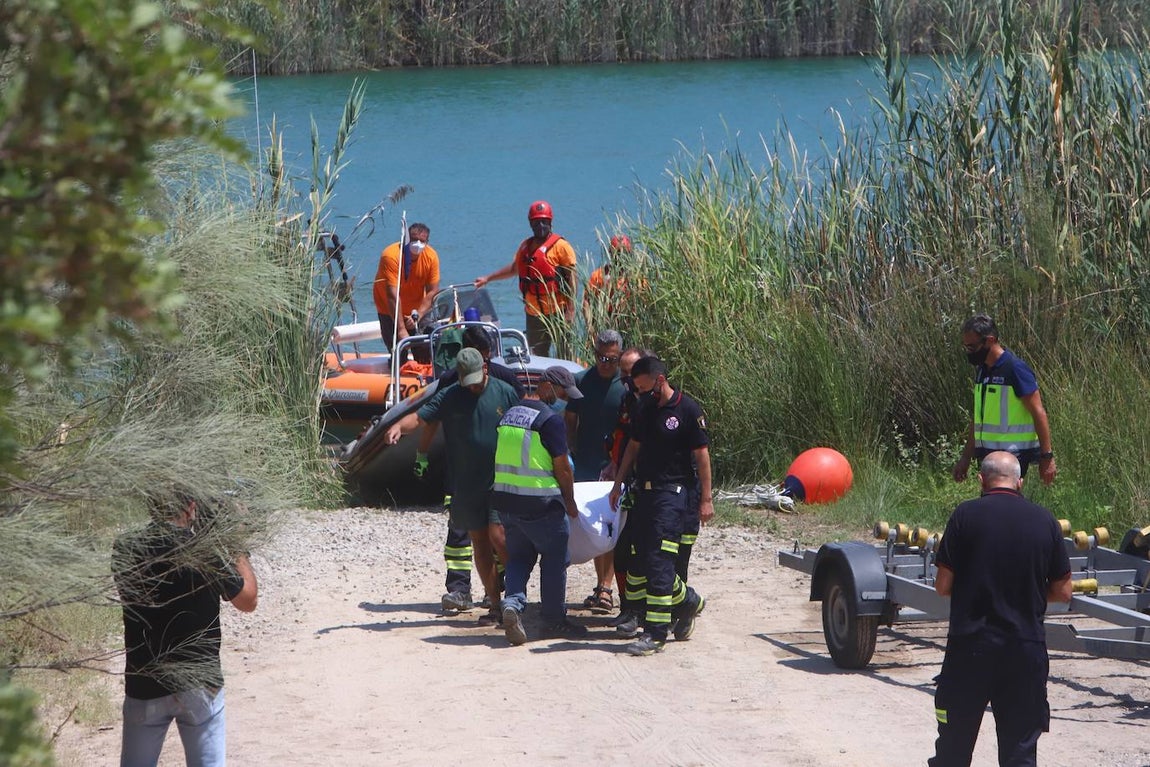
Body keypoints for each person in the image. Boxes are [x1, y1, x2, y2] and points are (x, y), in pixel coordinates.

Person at [930, 451, 1073, 767]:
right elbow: (1064, 591)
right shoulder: (1044, 520)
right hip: (1024, 651)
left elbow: (942, 585)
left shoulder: (965, 516)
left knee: (953, 750)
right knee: (1019, 753)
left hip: (970, 650)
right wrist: (1027, 592)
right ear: (1020, 482)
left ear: (981, 480)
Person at [113, 490, 258, 767]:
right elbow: (248, 600)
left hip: (145, 681)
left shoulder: (125, 548)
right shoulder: (205, 552)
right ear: (191, 507)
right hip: (199, 684)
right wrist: (235, 544)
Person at [385, 347, 520, 625]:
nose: (471, 388)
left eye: (475, 380)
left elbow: (524, 423)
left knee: (499, 537)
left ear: (485, 368)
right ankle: (495, 604)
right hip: (466, 484)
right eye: (466, 382)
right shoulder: (450, 396)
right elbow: (422, 418)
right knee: (480, 542)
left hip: (500, 480)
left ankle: (517, 596)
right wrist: (400, 426)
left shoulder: (505, 392)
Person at [608, 355, 712, 656]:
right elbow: (633, 447)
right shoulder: (642, 409)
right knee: (639, 561)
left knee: (660, 562)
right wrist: (618, 483)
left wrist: (706, 499)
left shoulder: (687, 409)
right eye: (636, 388)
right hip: (646, 493)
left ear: (660, 380)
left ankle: (655, 634)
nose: (639, 393)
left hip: (675, 493)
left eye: (643, 387)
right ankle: (688, 600)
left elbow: (702, 456)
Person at [493, 366, 589, 645]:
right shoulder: (550, 421)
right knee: (555, 559)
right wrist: (570, 504)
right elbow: (563, 468)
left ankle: (512, 602)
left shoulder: (510, 414)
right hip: (541, 504)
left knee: (519, 557)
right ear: (546, 386)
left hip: (507, 501)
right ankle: (554, 621)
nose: (563, 399)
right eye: (561, 392)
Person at [434, 326, 525, 614]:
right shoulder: (451, 382)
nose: (485, 364)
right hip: (461, 475)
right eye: (480, 357)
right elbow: (437, 417)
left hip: (499, 477)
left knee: (498, 536)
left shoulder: (506, 381)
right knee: (462, 538)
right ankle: (460, 589)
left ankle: (501, 594)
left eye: (488, 358)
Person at [952, 314, 1056, 485]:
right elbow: (978, 419)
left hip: (1012, 456)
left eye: (972, 347)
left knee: (1002, 503)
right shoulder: (982, 371)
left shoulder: (1015, 369)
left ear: (990, 340)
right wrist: (965, 457)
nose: (969, 352)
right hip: (988, 454)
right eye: (966, 347)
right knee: (992, 505)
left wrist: (1047, 456)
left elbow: (1039, 412)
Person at [564, 329, 626, 612]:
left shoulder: (625, 385)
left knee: (611, 528)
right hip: (585, 465)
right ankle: (600, 584)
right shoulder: (581, 382)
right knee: (592, 528)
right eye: (601, 357)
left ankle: (606, 588)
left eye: (612, 359)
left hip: (614, 468)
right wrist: (570, 455)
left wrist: (621, 465)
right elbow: (570, 421)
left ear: (620, 357)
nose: (606, 363)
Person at [473, 200, 577, 356]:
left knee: (565, 353)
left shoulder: (561, 246)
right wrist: (488, 278)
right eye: (536, 222)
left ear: (550, 222)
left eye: (544, 221)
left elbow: (572, 279)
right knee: (537, 355)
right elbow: (515, 268)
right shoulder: (525, 246)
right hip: (534, 313)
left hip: (558, 310)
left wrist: (571, 310)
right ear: (530, 223)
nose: (540, 225)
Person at [372, 222, 440, 351]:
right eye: (414, 240)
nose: (418, 244)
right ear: (406, 239)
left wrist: (418, 315)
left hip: (416, 308)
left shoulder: (431, 257)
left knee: (425, 350)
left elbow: (433, 291)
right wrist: (401, 329)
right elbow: (393, 296)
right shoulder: (391, 256)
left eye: (422, 241)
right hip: (389, 308)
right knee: (398, 352)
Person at [583, 234, 633, 322]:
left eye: (624, 253)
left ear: (629, 254)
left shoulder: (636, 278)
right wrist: (590, 328)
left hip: (628, 321)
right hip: (604, 320)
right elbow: (586, 302)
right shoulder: (598, 275)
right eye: (618, 253)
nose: (620, 257)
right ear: (611, 253)